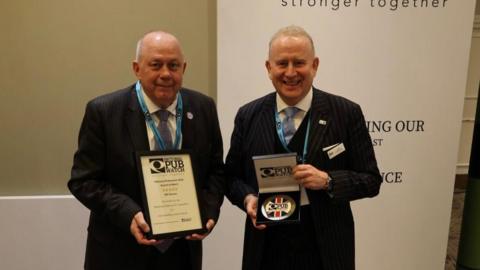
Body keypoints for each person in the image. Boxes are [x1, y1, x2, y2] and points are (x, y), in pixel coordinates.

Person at [225, 25, 382, 270]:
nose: (290, 72)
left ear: (314, 65)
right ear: (269, 68)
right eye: (281, 63)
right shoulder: (248, 115)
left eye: (299, 63)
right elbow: (231, 177)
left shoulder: (345, 112)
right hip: (266, 244)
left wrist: (328, 180)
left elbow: (371, 180)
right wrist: (247, 198)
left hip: (326, 246)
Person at [68, 31, 224, 270]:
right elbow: (83, 181)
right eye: (155, 65)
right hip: (119, 251)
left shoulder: (203, 107)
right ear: (137, 68)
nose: (165, 74)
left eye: (173, 65)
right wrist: (129, 214)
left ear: (184, 68)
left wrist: (209, 210)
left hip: (182, 253)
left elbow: (215, 171)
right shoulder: (103, 112)